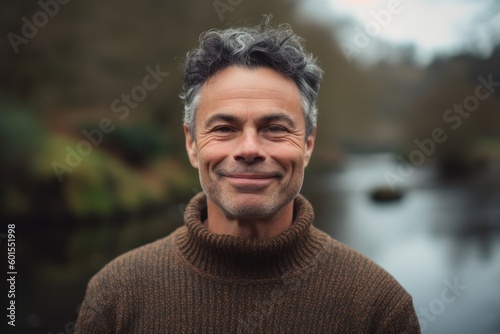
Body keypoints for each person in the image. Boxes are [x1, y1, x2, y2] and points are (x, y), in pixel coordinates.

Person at [75, 16, 421, 333]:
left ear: (308, 144)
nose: (249, 149)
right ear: (192, 144)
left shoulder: (379, 307)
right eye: (225, 128)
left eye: (274, 128)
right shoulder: (114, 296)